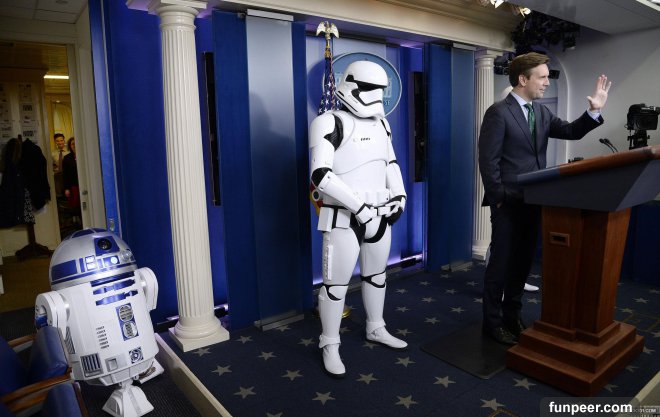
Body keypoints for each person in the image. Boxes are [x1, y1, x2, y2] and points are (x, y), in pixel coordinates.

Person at [478, 52, 611, 346]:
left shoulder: (541, 112)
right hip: (507, 203)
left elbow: (571, 131)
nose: (547, 83)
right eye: (542, 77)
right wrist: (499, 198)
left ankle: (512, 316)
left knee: (522, 263)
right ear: (523, 79)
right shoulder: (498, 113)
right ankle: (492, 322)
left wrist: (594, 111)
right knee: (500, 265)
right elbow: (488, 161)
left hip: (535, 200)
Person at [309, 60, 407, 378]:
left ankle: (376, 326)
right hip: (343, 217)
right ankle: (329, 342)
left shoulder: (382, 124)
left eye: (380, 90)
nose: (375, 96)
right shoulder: (328, 122)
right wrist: (360, 208)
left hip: (379, 214)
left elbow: (390, 162)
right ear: (349, 85)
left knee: (377, 276)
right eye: (368, 88)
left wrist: (400, 195)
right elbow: (321, 175)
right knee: (335, 286)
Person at [62, 137, 79, 211]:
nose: (74, 145)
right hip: (73, 186)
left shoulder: (84, 155)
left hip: (85, 185)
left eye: (76, 143)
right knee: (75, 206)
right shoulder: (67, 158)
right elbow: (65, 175)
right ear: (70, 146)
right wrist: (66, 189)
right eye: (72, 144)